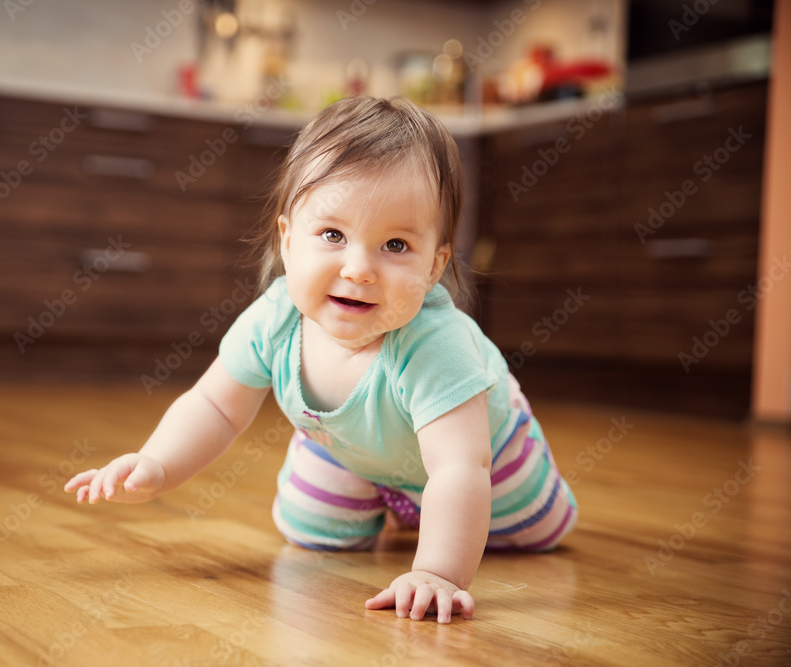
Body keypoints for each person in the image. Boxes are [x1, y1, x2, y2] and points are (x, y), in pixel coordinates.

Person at [65, 96, 578, 624]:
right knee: (308, 532)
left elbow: (459, 467)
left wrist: (438, 573)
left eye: (396, 244)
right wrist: (158, 463)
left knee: (534, 527)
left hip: (485, 455)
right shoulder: (276, 318)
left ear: (434, 266)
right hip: (354, 449)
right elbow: (215, 405)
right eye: (333, 235)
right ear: (287, 241)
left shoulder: (433, 344)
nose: (358, 269)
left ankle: (429, 517)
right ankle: (399, 504)